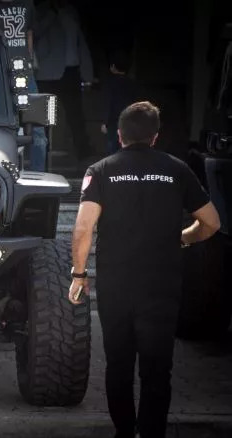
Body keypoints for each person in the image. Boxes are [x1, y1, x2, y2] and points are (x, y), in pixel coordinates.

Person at [70, 101, 220, 438]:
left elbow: (82, 229)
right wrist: (184, 237)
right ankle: (152, 434)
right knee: (157, 369)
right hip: (161, 286)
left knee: (119, 366)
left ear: (119, 135)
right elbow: (211, 223)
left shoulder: (101, 170)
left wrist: (79, 274)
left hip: (116, 286)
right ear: (155, 137)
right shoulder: (178, 170)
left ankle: (125, 432)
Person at [0, 0, 49, 171]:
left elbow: (29, 33)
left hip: (24, 74)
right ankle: (3, 175)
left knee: (38, 134)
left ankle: (39, 177)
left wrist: (28, 62)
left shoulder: (27, 4)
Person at [33, 0, 95, 164]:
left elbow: (80, 42)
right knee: (44, 118)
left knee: (76, 114)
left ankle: (84, 152)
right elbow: (34, 33)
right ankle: (41, 155)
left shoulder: (71, 11)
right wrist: (51, 15)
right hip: (47, 73)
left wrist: (87, 73)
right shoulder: (41, 11)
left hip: (71, 71)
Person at [101, 50, 137, 155]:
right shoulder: (131, 83)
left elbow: (109, 103)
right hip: (128, 119)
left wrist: (105, 122)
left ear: (113, 67)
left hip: (113, 121)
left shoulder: (110, 83)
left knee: (113, 146)